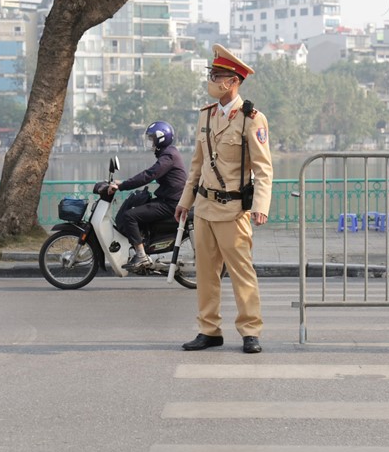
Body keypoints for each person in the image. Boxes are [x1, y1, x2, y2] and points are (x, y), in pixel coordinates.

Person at [175, 44, 273, 354]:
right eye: (212, 74)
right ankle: (209, 330)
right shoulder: (205, 116)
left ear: (233, 81)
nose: (212, 80)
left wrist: (260, 206)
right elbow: (196, 164)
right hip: (204, 208)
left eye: (217, 76)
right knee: (206, 274)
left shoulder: (251, 119)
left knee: (242, 273)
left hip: (232, 210)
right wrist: (185, 201)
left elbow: (263, 168)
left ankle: (250, 331)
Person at [107, 121, 186, 270]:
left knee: (130, 216)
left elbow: (149, 175)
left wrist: (122, 186)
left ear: (160, 138)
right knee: (139, 207)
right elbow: (149, 174)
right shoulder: (169, 153)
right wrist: (122, 182)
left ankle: (141, 256)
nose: (151, 142)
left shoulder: (168, 156)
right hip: (170, 199)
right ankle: (144, 247)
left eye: (152, 138)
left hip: (171, 203)